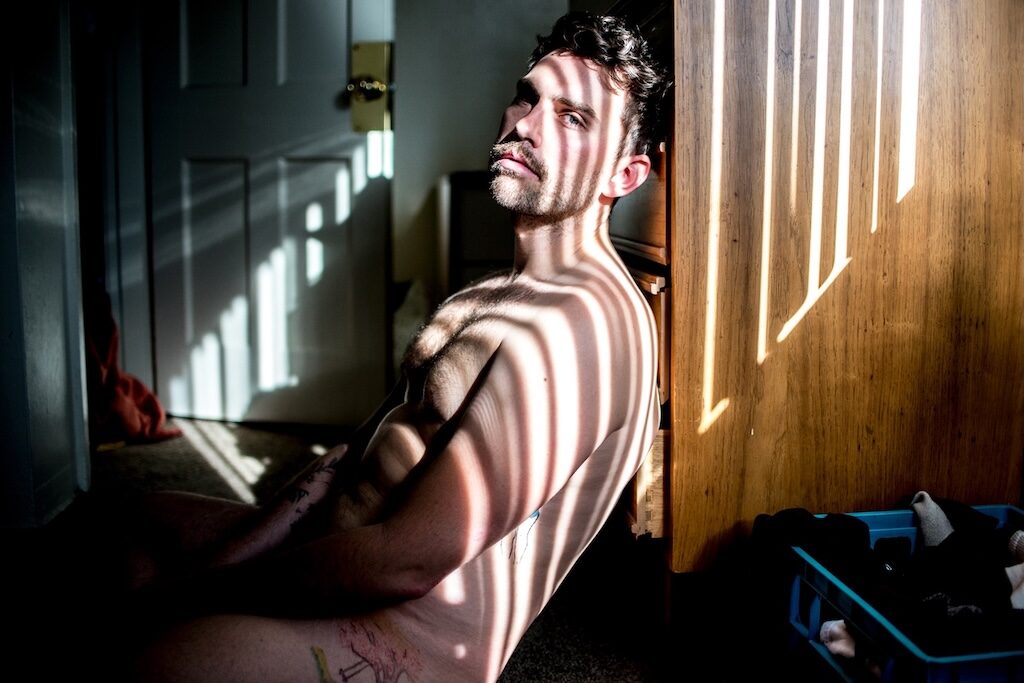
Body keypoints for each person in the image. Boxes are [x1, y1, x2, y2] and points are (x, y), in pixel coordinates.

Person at [106, 12, 669, 682]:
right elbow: (351, 459)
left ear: (624, 175)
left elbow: (405, 561)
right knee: (127, 527)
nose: (526, 123)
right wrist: (238, 552)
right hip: (340, 550)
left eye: (573, 118)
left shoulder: (577, 326)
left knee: (158, 661)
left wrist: (193, 597)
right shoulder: (491, 293)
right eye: (528, 95)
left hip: (403, 639)